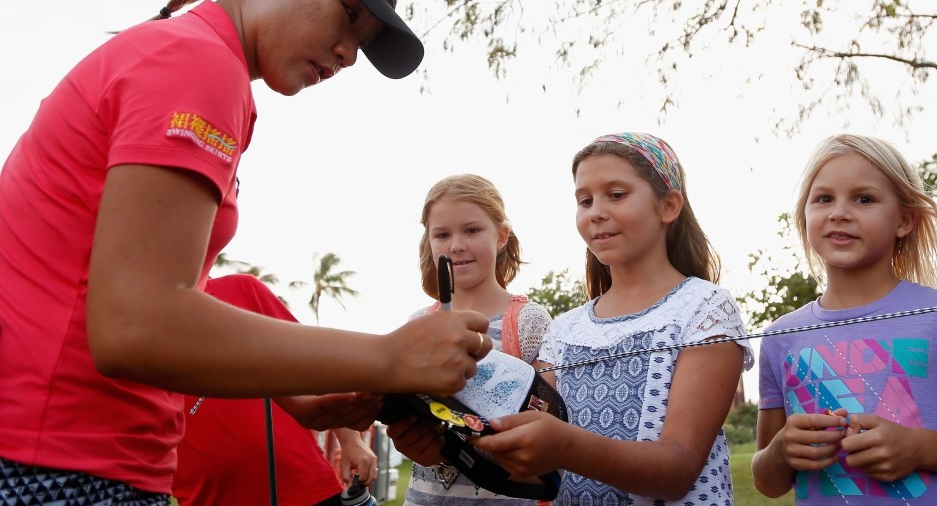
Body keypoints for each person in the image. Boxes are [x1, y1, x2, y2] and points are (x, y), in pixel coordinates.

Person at [0, 0, 492, 503]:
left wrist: (306, 393)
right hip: (61, 462)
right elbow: (136, 325)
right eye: (348, 14)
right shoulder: (199, 65)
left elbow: (144, 302)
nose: (346, 55)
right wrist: (385, 357)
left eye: (361, 43)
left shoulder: (189, 58)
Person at [473, 132, 754, 505]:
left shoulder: (705, 309)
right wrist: (444, 438)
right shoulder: (564, 330)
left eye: (616, 195)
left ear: (668, 206)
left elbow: (678, 469)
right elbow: (526, 458)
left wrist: (566, 446)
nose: (596, 211)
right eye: (584, 200)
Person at [752, 133, 937, 503]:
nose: (839, 212)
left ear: (904, 220)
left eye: (864, 199)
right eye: (824, 198)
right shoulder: (781, 336)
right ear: (806, 215)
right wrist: (781, 451)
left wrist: (921, 448)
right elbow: (768, 482)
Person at [389, 174, 554, 505]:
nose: (456, 245)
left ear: (502, 236)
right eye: (442, 234)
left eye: (472, 230)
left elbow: (545, 433)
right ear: (429, 242)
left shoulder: (530, 322)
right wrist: (410, 441)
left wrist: (455, 446)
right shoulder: (418, 324)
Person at [173, 273, 378, 506]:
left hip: (308, 490)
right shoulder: (137, 322)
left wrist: (351, 441)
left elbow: (310, 366)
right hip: (205, 498)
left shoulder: (242, 289)